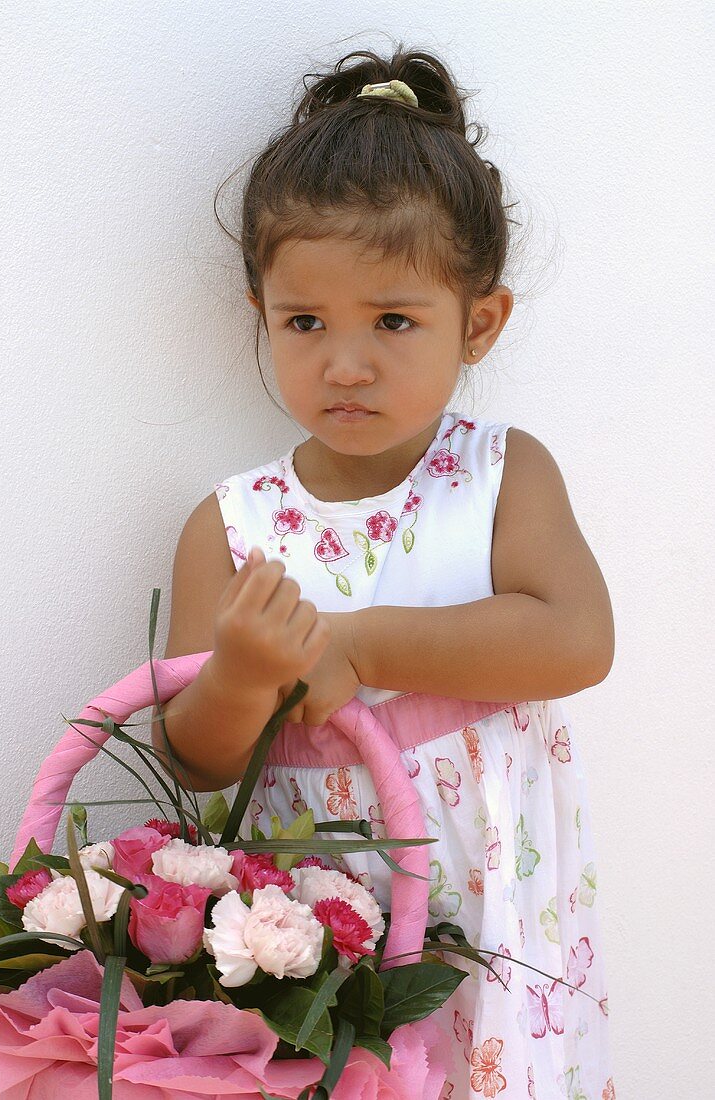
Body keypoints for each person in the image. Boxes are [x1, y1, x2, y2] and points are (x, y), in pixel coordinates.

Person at [154, 47, 617, 1100]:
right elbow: (193, 758)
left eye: (393, 320)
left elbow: (573, 637)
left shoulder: (501, 475)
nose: (345, 362)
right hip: (314, 933)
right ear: (258, 311)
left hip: (495, 908)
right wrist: (240, 674)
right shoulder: (229, 528)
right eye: (304, 321)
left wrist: (355, 642)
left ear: (478, 322)